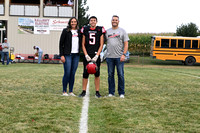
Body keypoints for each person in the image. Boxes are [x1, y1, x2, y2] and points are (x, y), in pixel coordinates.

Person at [79, 16, 106, 98]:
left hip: (96, 55)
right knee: (85, 73)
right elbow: (83, 44)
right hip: (88, 54)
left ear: (96, 22)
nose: (93, 22)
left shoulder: (99, 29)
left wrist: (97, 55)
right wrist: (86, 54)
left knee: (97, 73)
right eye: (91, 20)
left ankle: (97, 91)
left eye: (94, 20)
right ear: (89, 22)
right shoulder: (85, 29)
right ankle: (83, 91)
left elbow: (101, 44)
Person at [105, 15, 129, 98]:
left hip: (119, 57)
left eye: (116, 20)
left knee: (121, 75)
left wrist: (124, 54)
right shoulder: (107, 32)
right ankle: (111, 92)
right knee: (110, 75)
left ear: (118, 21)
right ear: (111, 21)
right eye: (113, 20)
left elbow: (126, 43)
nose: (114, 21)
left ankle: (121, 93)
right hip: (109, 57)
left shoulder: (122, 31)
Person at [59, 17, 82, 96]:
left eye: (74, 22)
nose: (73, 23)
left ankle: (71, 91)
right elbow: (61, 43)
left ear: (77, 23)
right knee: (67, 73)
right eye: (72, 22)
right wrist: (61, 55)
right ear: (69, 23)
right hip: (67, 55)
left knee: (73, 73)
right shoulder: (65, 31)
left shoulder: (79, 32)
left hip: (76, 55)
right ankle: (64, 91)